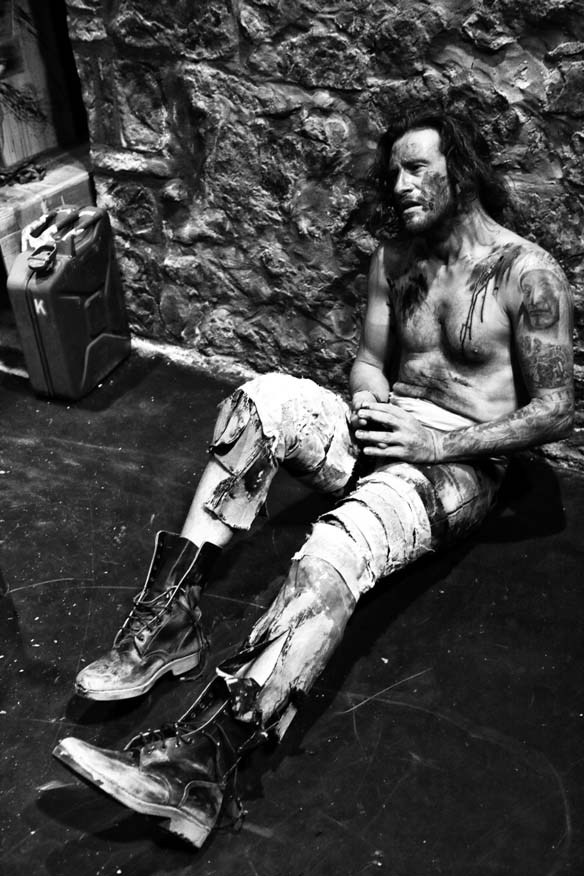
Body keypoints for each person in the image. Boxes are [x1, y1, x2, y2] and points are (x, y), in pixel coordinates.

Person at [53, 111, 574, 848]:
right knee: (260, 401)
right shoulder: (396, 258)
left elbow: (556, 410)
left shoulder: (529, 274)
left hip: (458, 463)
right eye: (393, 172)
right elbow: (368, 360)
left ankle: (200, 767)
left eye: (417, 168)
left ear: (462, 171)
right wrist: (367, 397)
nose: (400, 185)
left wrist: (437, 442)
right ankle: (169, 623)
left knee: (339, 544)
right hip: (383, 431)